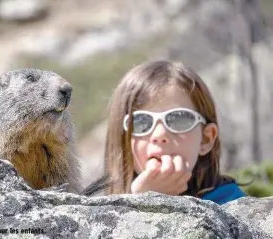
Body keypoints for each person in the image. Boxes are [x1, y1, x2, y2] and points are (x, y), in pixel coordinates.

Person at [104, 60, 247, 205]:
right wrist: (139, 201)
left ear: (206, 139)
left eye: (178, 119)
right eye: (141, 122)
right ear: (122, 139)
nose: (160, 134)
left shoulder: (232, 205)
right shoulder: (98, 216)